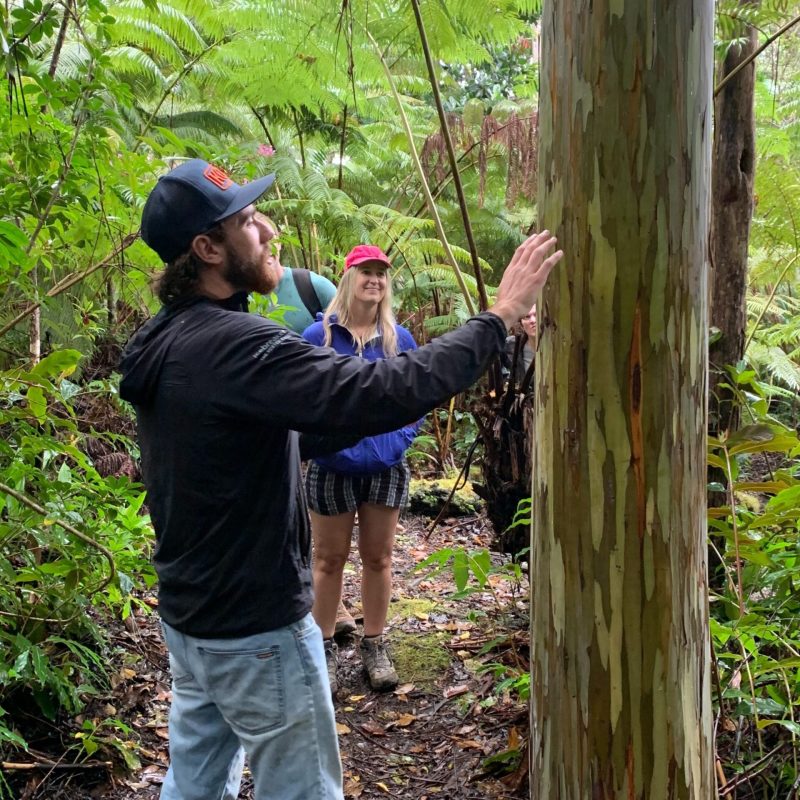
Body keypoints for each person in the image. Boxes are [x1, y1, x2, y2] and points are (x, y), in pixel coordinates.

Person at [119, 158, 562, 800]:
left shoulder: (168, 342)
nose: (267, 229)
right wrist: (496, 322)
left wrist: (370, 429)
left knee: (193, 783)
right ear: (207, 249)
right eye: (246, 220)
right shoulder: (235, 345)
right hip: (256, 630)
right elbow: (381, 388)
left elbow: (295, 431)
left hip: (193, 623)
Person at [302, 245, 418, 693]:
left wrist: (400, 438)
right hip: (333, 464)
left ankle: (374, 643)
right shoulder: (320, 337)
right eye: (366, 272)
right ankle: (324, 646)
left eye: (381, 274)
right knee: (328, 559)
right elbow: (303, 396)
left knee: (379, 557)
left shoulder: (398, 339)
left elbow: (416, 396)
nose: (375, 280)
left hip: (385, 465)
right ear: (349, 277)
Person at [257, 213, 358, 637]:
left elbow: (349, 332)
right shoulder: (242, 296)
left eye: (269, 243)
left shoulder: (308, 286)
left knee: (312, 520)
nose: (264, 252)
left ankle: (332, 608)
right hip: (261, 423)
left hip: (311, 423)